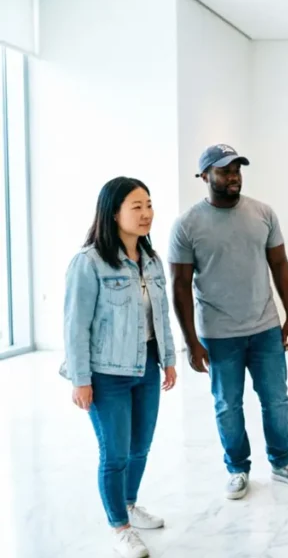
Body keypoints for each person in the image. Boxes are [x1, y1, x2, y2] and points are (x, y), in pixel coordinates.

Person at [168, 144, 288, 500]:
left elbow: (280, 265)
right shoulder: (187, 225)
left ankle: (282, 463)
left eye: (237, 169)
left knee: (276, 400)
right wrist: (191, 341)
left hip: (264, 327)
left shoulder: (263, 213)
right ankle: (237, 469)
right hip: (218, 335)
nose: (233, 176)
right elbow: (180, 287)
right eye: (223, 170)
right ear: (204, 176)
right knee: (227, 405)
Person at [62, 177, 178, 558]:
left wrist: (169, 361)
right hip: (105, 374)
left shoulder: (152, 260)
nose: (147, 214)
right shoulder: (89, 262)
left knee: (140, 448)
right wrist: (81, 380)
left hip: (144, 366)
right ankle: (120, 527)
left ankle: (129, 504)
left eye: (149, 204)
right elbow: (75, 325)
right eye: (136, 206)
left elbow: (161, 314)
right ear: (114, 213)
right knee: (115, 454)